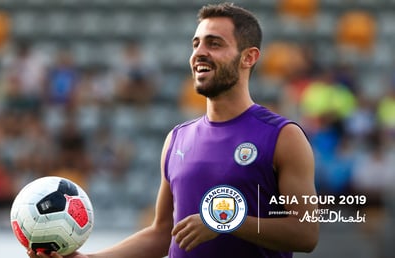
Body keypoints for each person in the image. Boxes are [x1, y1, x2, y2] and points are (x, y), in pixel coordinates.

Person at [28, 3, 319, 258]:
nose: (199, 53)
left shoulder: (282, 136)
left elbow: (306, 235)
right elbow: (163, 233)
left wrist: (224, 221)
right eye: (196, 44)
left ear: (248, 57)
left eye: (214, 44)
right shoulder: (178, 138)